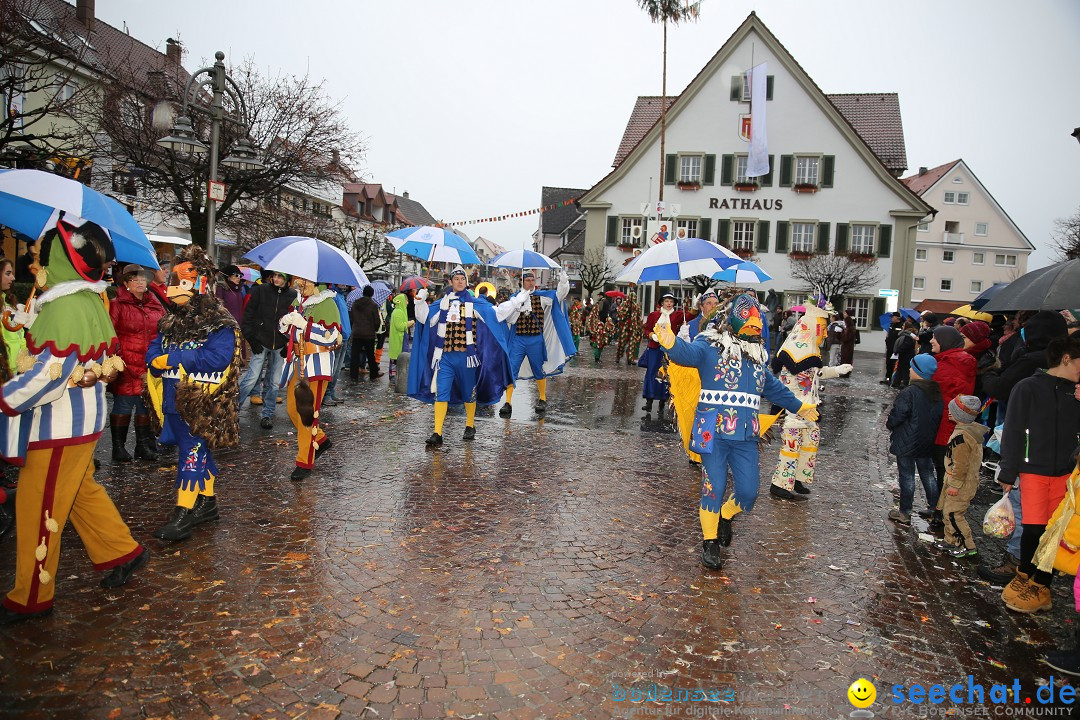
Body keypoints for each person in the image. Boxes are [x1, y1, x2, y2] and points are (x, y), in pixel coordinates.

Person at [0, 219, 147, 625]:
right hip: (80, 423)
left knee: (39, 508)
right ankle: (121, 552)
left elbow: (50, 375)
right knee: (81, 493)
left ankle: (31, 595)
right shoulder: (85, 300)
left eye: (39, 257)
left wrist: (5, 399)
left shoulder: (66, 304)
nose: (34, 266)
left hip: (58, 427)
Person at [656, 294, 818, 570]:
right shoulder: (709, 345)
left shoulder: (755, 358)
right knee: (714, 487)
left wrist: (800, 406)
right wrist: (670, 342)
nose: (755, 324)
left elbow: (774, 388)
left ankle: (726, 516)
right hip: (713, 434)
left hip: (745, 436)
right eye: (748, 316)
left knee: (748, 493)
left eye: (757, 320)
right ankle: (710, 543)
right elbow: (687, 354)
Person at [145, 249, 243, 541]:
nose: (174, 289)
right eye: (172, 282)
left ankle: (184, 511)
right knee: (197, 451)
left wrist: (175, 359)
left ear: (200, 283)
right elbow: (155, 346)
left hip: (201, 402)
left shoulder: (220, 322)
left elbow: (220, 358)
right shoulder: (170, 322)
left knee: (191, 452)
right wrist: (155, 359)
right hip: (171, 400)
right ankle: (208, 501)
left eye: (183, 282)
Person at [998, 334, 1080, 613]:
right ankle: (1025, 575)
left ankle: (1042, 585)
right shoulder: (1028, 387)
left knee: (1056, 532)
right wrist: (1008, 470)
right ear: (1066, 358)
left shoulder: (1077, 391)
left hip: (1067, 476)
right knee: (1033, 529)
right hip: (1033, 469)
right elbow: (1013, 430)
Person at [407, 266, 513, 447]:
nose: (460, 281)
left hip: (467, 358)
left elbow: (497, 314)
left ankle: (470, 425)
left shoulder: (475, 303)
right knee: (441, 393)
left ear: (466, 282)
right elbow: (424, 318)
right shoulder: (442, 303)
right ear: (451, 282)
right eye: (456, 279)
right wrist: (420, 302)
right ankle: (437, 432)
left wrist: (516, 301)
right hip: (445, 357)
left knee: (468, 393)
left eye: (462, 279)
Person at [768, 302, 852, 502]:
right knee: (792, 446)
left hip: (809, 408)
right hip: (794, 409)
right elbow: (799, 376)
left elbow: (815, 374)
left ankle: (796, 478)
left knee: (810, 440)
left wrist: (838, 370)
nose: (824, 334)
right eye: (822, 329)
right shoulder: (796, 351)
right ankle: (780, 484)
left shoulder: (810, 350)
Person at [278, 276, 342, 481]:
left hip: (316, 363)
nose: (299, 282)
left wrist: (304, 325)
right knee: (291, 409)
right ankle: (320, 439)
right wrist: (286, 323)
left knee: (306, 413)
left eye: (303, 279)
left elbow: (332, 337)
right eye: (298, 279)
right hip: (298, 361)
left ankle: (304, 461)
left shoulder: (327, 303)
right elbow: (291, 332)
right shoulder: (299, 301)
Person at [497, 269, 575, 418]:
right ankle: (508, 402)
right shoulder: (515, 298)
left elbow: (559, 296)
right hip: (518, 339)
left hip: (535, 339)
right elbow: (506, 317)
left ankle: (542, 398)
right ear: (523, 282)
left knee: (538, 368)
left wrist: (563, 283)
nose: (531, 283)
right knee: (511, 368)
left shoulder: (542, 297)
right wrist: (518, 304)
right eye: (528, 280)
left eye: (533, 280)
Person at [108, 264, 166, 462]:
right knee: (123, 406)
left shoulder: (154, 303)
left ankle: (143, 446)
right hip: (126, 364)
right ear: (125, 283)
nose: (140, 282)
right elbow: (111, 336)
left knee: (145, 407)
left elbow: (163, 331)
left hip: (150, 363)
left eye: (143, 278)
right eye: (135, 279)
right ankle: (118, 447)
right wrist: (127, 364)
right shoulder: (117, 304)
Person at [928, 325, 976, 528]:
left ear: (945, 341)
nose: (931, 341)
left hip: (944, 427)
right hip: (950, 425)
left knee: (944, 470)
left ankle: (942, 514)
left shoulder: (948, 365)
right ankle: (939, 511)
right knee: (945, 470)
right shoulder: (957, 361)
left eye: (935, 338)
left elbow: (934, 393)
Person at [886, 355, 942, 524]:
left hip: (907, 440)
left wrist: (891, 424)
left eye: (912, 367)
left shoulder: (909, 392)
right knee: (928, 474)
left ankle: (905, 512)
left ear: (917, 371)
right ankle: (935, 508)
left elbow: (899, 414)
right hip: (926, 440)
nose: (909, 370)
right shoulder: (936, 391)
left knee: (907, 476)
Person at [238, 271, 295, 430]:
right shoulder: (261, 290)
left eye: (280, 277)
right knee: (251, 377)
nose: (275, 279)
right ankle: (233, 409)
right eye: (274, 276)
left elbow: (295, 321)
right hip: (260, 340)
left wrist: (287, 345)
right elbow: (249, 314)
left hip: (280, 344)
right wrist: (251, 338)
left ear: (286, 279)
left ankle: (267, 414)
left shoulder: (293, 295)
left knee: (274, 383)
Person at [932, 395, 987, 557]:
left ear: (961, 415)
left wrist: (955, 485)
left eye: (952, 410)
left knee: (953, 514)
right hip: (957, 480)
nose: (949, 412)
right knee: (948, 511)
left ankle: (967, 545)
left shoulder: (961, 438)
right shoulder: (967, 432)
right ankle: (951, 540)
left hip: (961, 484)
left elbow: (961, 464)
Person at [640, 293, 685, 415]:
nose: (669, 303)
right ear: (662, 303)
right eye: (666, 301)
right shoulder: (654, 315)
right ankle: (649, 401)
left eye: (671, 301)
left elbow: (690, 316)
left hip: (669, 349)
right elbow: (646, 329)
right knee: (652, 373)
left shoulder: (677, 315)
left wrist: (695, 307)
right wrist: (651, 335)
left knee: (666, 374)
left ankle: (662, 401)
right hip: (655, 349)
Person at [0, 256, 27, 380]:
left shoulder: (9, 301)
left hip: (16, 368)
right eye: (8, 273)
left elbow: (20, 334)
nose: (13, 278)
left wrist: (24, 357)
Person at [349, 286, 383, 381]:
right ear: (371, 294)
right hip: (369, 334)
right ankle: (373, 373)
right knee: (370, 355)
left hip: (357, 332)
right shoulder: (373, 305)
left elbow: (352, 318)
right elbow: (377, 321)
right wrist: (375, 329)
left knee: (355, 355)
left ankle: (353, 375)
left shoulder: (355, 303)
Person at [959, 320, 998, 398]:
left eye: (963, 337)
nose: (960, 340)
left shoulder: (986, 361)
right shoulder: (964, 355)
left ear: (975, 338)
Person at [388, 292, 413, 382]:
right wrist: (409, 323)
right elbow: (400, 326)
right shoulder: (398, 312)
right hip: (398, 339)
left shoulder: (401, 311)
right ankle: (393, 376)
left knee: (399, 358)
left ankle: (396, 376)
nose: (407, 302)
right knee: (395, 359)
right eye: (406, 300)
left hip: (401, 338)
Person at [614, 290, 643, 365]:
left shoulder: (636, 306)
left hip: (633, 327)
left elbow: (638, 317)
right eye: (632, 297)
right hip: (625, 326)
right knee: (622, 343)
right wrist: (626, 313)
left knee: (632, 343)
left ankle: (630, 358)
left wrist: (639, 327)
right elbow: (619, 314)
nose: (633, 299)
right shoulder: (624, 305)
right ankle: (618, 356)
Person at [890, 320, 919, 388]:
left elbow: (906, 345)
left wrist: (898, 350)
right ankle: (897, 382)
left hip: (906, 355)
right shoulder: (906, 334)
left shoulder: (908, 335)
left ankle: (902, 383)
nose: (902, 327)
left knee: (904, 369)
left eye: (903, 326)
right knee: (900, 368)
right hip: (904, 355)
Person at [882, 313, 903, 384]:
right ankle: (888, 378)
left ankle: (894, 380)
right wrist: (887, 340)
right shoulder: (891, 325)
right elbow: (889, 335)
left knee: (894, 365)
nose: (891, 318)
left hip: (896, 349)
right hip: (889, 348)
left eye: (892, 317)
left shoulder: (901, 326)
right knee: (888, 364)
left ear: (897, 318)